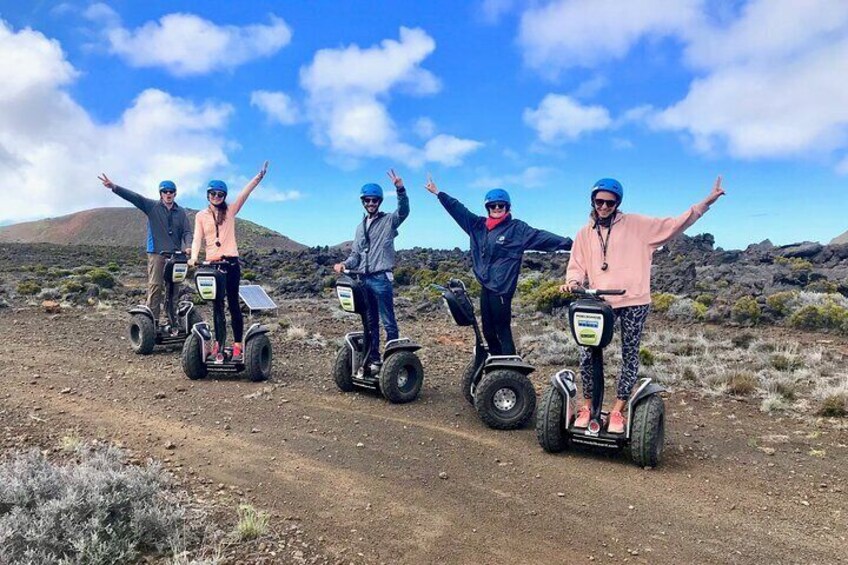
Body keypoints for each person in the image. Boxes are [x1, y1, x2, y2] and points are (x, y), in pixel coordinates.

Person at [562, 176, 726, 433]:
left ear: (618, 203)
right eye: (599, 201)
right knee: (587, 353)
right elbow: (576, 265)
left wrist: (705, 203)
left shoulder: (638, 225)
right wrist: (572, 282)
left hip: (635, 301)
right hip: (600, 304)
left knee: (629, 353)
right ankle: (588, 406)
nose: (604, 206)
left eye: (610, 202)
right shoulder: (584, 234)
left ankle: (617, 410)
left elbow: (675, 224)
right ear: (592, 201)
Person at [425, 175, 572, 356]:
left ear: (507, 207)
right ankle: (496, 364)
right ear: (488, 208)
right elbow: (459, 210)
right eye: (492, 206)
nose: (496, 209)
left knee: (502, 330)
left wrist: (571, 243)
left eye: (500, 206)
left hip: (502, 289)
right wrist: (439, 194)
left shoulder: (517, 229)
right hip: (486, 286)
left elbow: (542, 237)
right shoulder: (478, 226)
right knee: (488, 331)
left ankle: (509, 369)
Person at [190, 161, 269, 363]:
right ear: (208, 194)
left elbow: (244, 194)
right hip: (212, 265)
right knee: (217, 305)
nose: (216, 197)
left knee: (233, 303)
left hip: (231, 264)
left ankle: (237, 345)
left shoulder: (231, 211)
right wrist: (193, 258)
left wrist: (258, 177)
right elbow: (197, 238)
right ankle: (218, 343)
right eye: (213, 193)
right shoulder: (200, 216)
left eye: (220, 194)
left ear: (224, 196)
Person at [333, 169, 409, 370]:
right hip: (363, 280)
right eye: (367, 200)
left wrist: (400, 189)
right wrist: (344, 265)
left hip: (381, 279)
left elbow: (404, 211)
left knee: (389, 322)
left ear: (380, 202)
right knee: (370, 321)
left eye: (374, 200)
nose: (371, 204)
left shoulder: (388, 221)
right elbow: (355, 255)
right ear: (363, 202)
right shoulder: (359, 228)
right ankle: (374, 359)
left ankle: (394, 362)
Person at [98, 174, 192, 323]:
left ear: (175, 193)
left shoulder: (180, 212)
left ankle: (172, 319)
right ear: (160, 193)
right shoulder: (152, 206)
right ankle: (152, 321)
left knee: (174, 287)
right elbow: (135, 197)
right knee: (156, 286)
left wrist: (188, 246)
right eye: (165, 191)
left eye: (171, 191)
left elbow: (187, 231)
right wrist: (114, 187)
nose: (168, 194)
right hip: (157, 253)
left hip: (176, 255)